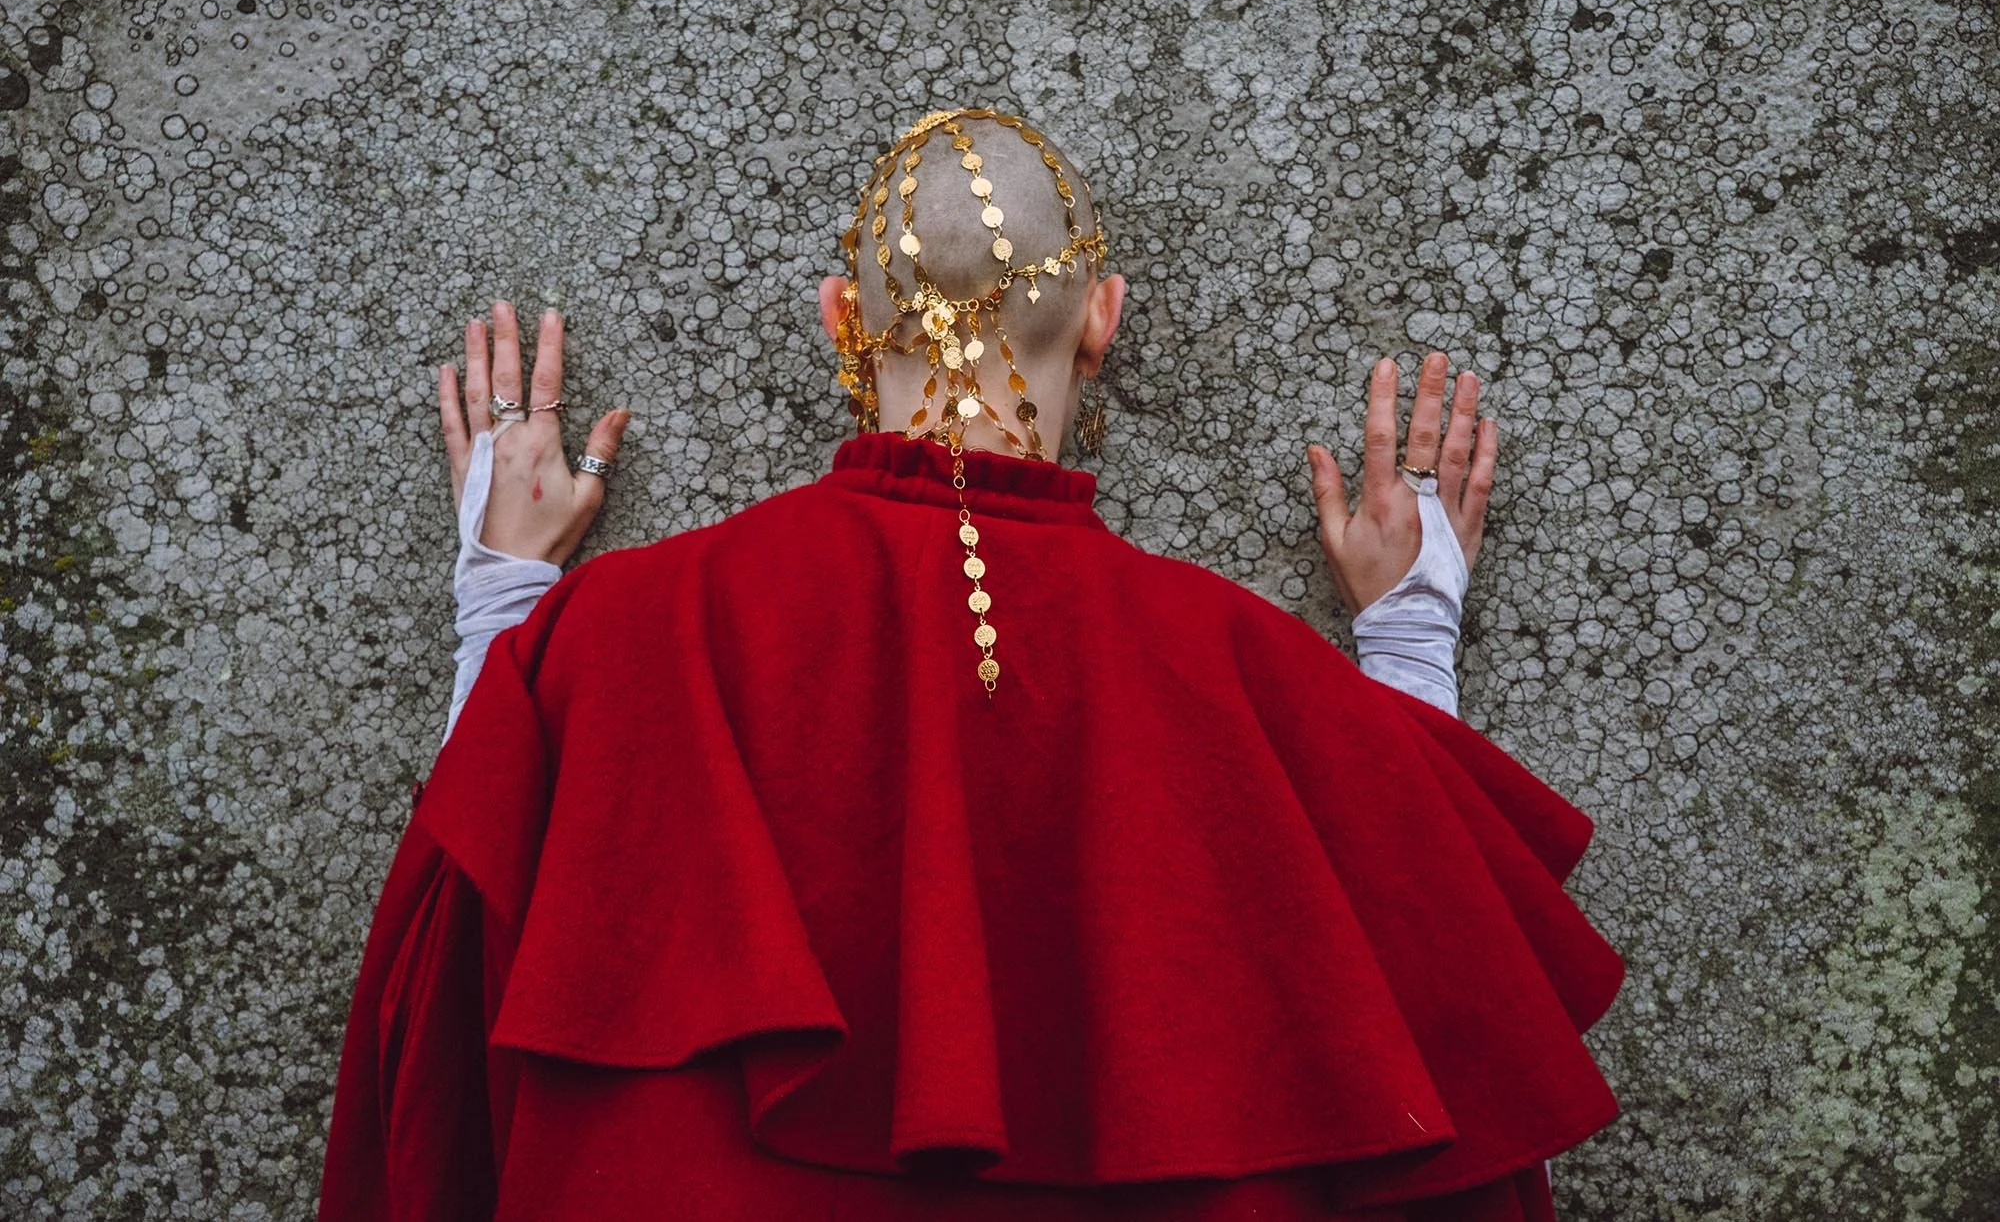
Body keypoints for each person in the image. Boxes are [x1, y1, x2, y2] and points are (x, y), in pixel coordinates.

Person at [317, 107, 1625, 1221]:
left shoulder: (615, 637)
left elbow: (440, 1006)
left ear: (842, 317)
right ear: (1104, 318)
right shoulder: (1254, 680)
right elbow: (1453, 1050)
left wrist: (506, 599)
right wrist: (1405, 634)